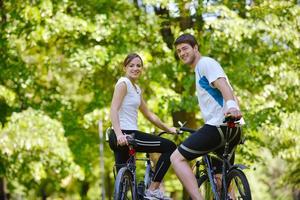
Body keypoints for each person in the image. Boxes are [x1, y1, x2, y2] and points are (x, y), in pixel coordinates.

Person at [170, 33, 243, 200]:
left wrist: (231, 106)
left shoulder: (205, 63)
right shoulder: (200, 69)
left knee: (176, 158)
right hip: (234, 129)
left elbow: (222, 84)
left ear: (196, 48)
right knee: (220, 179)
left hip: (219, 126)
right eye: (179, 51)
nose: (182, 53)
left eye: (185, 48)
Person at [109, 53, 177, 200]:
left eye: (138, 65)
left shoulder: (136, 89)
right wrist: (120, 134)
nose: (135, 68)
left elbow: (149, 115)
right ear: (124, 68)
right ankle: (153, 190)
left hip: (122, 136)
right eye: (131, 65)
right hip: (125, 135)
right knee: (170, 147)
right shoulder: (123, 84)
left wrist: (168, 129)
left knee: (123, 185)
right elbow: (113, 109)